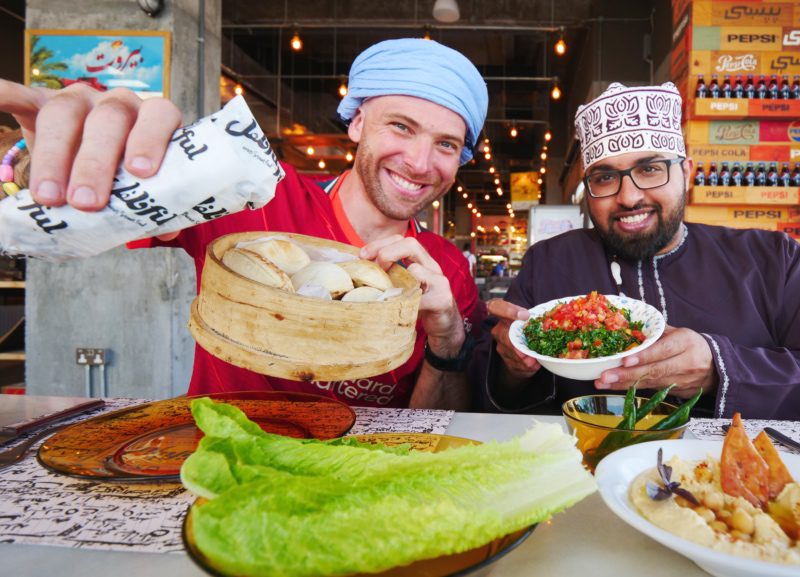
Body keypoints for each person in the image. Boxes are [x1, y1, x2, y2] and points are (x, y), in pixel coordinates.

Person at [0, 38, 487, 410]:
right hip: (222, 480)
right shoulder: (253, 192)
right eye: (400, 126)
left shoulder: (448, 273)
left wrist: (447, 338)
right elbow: (83, 201)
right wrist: (45, 158)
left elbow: (433, 428)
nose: (421, 162)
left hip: (362, 493)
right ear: (357, 122)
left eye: (446, 144)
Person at [472, 82, 800, 420]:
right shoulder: (549, 262)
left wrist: (722, 368)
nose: (628, 197)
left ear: (687, 173)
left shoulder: (773, 260)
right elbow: (490, 398)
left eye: (650, 169)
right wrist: (512, 367)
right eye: (605, 178)